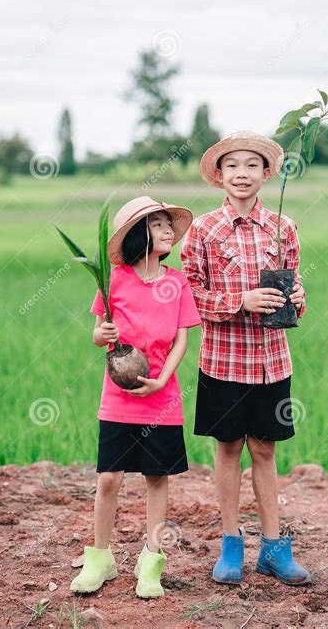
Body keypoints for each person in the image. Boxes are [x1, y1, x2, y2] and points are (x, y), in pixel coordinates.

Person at [180, 131, 310, 585]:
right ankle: (231, 543)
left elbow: (297, 294)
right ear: (219, 175)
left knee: (265, 449)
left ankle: (273, 548)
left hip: (273, 360)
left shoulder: (283, 227)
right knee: (229, 447)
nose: (241, 173)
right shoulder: (202, 229)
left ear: (267, 173)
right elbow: (190, 294)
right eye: (232, 166)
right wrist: (241, 300)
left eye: (251, 165)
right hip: (223, 361)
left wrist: (295, 296)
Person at [70, 196, 201, 598]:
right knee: (108, 478)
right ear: (136, 235)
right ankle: (101, 558)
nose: (167, 230)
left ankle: (151, 559)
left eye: (168, 224)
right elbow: (98, 334)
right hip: (118, 396)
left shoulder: (175, 281)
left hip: (162, 398)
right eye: (157, 223)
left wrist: (163, 379)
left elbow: (182, 337)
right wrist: (102, 336)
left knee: (156, 477)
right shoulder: (114, 280)